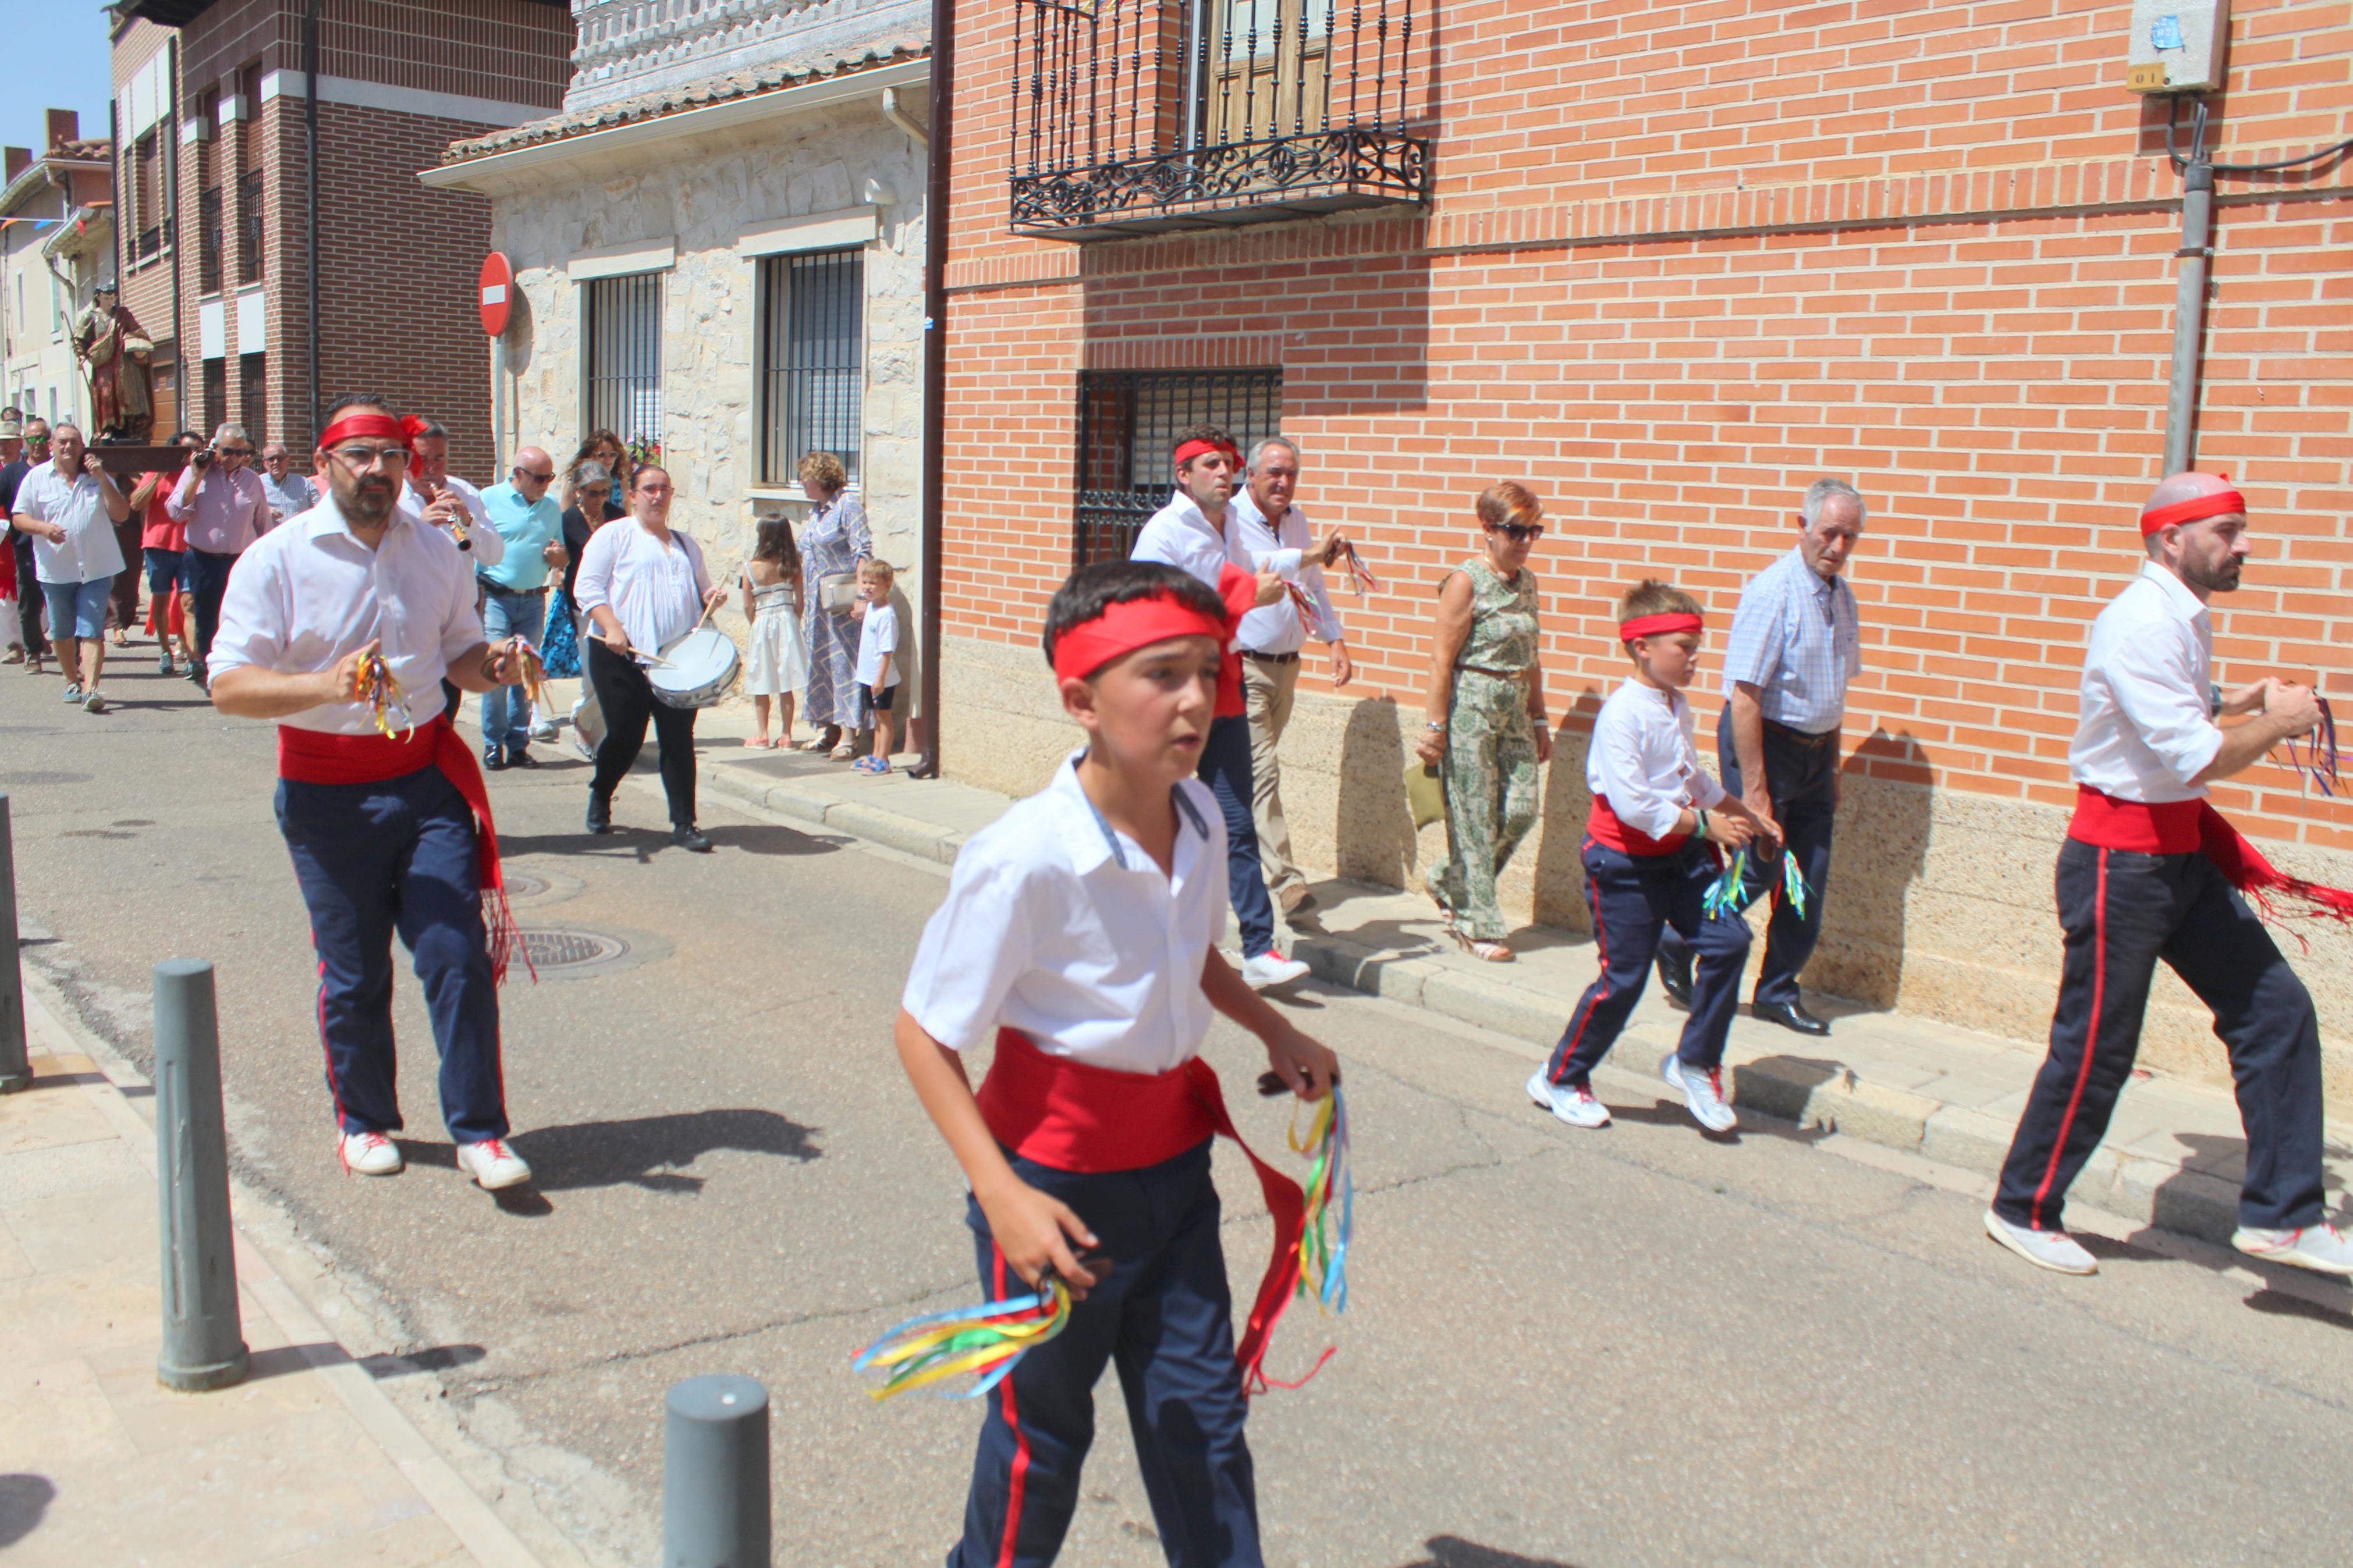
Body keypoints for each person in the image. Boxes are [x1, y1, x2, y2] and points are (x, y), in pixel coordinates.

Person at [895, 557, 1340, 1568]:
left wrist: (1274, 1030)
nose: (1197, 701)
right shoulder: (1024, 857)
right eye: (1162, 676)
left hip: (1176, 1179)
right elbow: (923, 1032)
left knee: (1201, 1424)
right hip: (1053, 1191)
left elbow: (1191, 956)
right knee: (1041, 1443)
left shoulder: (1197, 813)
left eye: (1208, 671)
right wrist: (998, 1191)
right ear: (1079, 700)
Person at [1983, 472, 2353, 1278]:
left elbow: (2166, 714)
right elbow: (2192, 754)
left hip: (2175, 855)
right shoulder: (2140, 622)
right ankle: (2022, 1205)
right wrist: (2276, 721)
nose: (2242, 545)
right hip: (2121, 862)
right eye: (2225, 531)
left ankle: (2281, 1217)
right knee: (2095, 1047)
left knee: (2274, 1008)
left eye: (2239, 529)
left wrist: (2230, 696)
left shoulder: (2178, 617)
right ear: (2169, 540)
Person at [206, 393, 533, 1192]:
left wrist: (494, 665)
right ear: (325, 466)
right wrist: (324, 683)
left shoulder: (436, 549)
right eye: (361, 455)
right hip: (325, 793)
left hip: (424, 780)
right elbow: (228, 685)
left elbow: (458, 651)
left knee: (454, 952)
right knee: (354, 972)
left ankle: (481, 1131)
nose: (380, 469)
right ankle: (363, 1118)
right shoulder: (276, 558)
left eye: (392, 454)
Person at [1528, 581, 1774, 1133]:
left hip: (1682, 860)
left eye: (1695, 646)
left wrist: (1747, 813)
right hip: (1624, 867)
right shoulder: (1621, 714)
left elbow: (1690, 777)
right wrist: (1706, 825)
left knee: (1729, 940)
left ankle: (1694, 1062)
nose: (1693, 658)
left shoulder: (1675, 705)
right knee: (1624, 979)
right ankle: (1560, 1076)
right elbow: (1634, 803)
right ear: (1642, 646)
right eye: (1683, 647)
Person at [1655, 478, 1865, 1036]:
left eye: (1849, 536)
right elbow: (1743, 696)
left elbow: (1835, 690)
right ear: (1802, 527)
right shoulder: (1773, 593)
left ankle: (1776, 991)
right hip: (1763, 745)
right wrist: (1755, 789)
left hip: (1816, 754)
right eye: (1829, 533)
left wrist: (1834, 764)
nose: (1838, 547)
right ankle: (1677, 936)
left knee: (1809, 878)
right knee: (1760, 865)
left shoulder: (1842, 597)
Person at [1133, 424, 1328, 990]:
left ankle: (1259, 949)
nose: (1223, 472)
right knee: (1152, 816)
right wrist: (1243, 597)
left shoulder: (1231, 527)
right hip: (1170, 689)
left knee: (1235, 820)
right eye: (1210, 464)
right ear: (1183, 474)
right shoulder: (1164, 532)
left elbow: (1257, 571)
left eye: (1228, 463)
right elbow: (1154, 615)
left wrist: (1310, 557)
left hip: (1224, 680)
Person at [1410, 482, 1555, 962]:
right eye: (1516, 531)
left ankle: (1449, 881)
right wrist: (1434, 727)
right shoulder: (1465, 580)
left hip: (1514, 704)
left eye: (1533, 531)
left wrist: (1539, 718)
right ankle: (1476, 923)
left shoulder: (1527, 582)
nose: (1525, 541)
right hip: (1470, 703)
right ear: (1488, 529)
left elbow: (1531, 656)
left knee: (1520, 811)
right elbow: (1440, 660)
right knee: (1471, 818)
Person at [1227, 437, 1352, 919]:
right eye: (1274, 472)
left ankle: (1209, 853)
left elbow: (1312, 585)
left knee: (1241, 779)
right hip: (1245, 667)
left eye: (1291, 474)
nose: (1283, 482)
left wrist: (1334, 641)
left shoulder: (1295, 520)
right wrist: (1311, 554)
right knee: (1262, 773)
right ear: (1252, 475)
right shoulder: (1232, 520)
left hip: (1286, 668)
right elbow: (1255, 571)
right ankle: (1287, 882)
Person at [573, 464, 727, 851]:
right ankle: (601, 791)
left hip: (674, 662)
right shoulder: (614, 535)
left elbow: (702, 590)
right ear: (632, 495)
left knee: (677, 738)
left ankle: (684, 823)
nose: (657, 496)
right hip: (619, 655)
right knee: (626, 736)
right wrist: (611, 627)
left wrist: (711, 597)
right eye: (649, 489)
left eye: (664, 489)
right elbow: (587, 588)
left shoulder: (685, 544)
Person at [11, 423, 132, 713]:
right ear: (51, 445)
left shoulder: (97, 478)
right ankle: (71, 681)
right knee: (62, 631)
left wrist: (102, 477)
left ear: (82, 446)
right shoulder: (36, 478)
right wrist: (42, 528)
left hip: (97, 567)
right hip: (56, 570)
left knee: (92, 629)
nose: (68, 447)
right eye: (63, 442)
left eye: (74, 442)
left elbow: (121, 513)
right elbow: (19, 518)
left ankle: (91, 688)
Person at [475, 447, 567, 770]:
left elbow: (559, 552)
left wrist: (559, 557)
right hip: (497, 597)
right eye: (539, 477)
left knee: (526, 673)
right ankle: (492, 744)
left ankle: (518, 745)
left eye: (549, 477)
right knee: (499, 670)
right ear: (518, 474)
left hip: (532, 599)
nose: (545, 484)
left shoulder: (552, 507)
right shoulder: (488, 498)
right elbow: (473, 544)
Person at [168, 421, 269, 688]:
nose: (233, 458)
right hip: (203, 559)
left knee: (240, 617)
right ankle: (210, 668)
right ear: (214, 448)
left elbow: (263, 524)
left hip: (240, 561)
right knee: (206, 618)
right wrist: (196, 476)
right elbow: (176, 512)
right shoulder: (196, 474)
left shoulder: (252, 480)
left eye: (240, 453)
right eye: (227, 451)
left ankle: (234, 669)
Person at [796, 450, 869, 758]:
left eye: (805, 478)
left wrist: (862, 597)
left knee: (844, 664)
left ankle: (849, 735)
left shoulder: (847, 506)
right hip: (817, 603)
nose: (801, 484)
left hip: (841, 604)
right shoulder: (817, 512)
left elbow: (863, 551)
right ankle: (828, 729)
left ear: (819, 477)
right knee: (820, 664)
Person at [551, 459, 623, 759]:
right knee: (593, 671)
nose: (599, 500)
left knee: (615, 672)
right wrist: (556, 559)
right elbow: (560, 560)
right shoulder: (568, 520)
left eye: (605, 492)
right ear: (579, 492)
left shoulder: (617, 517)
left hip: (617, 606)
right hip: (583, 606)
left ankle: (591, 723)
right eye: (593, 493)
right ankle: (589, 728)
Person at [129, 431, 203, 675]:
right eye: (186, 450)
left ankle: (193, 657)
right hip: (159, 546)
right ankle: (164, 651)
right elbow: (136, 503)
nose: (191, 454)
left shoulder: (202, 475)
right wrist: (158, 476)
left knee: (189, 602)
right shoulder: (157, 471)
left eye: (196, 449)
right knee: (160, 600)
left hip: (190, 547)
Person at [739, 516, 805, 749]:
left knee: (762, 678)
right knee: (785, 680)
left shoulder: (751, 568)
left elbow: (748, 605)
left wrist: (754, 623)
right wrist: (793, 621)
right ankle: (786, 735)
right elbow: (800, 602)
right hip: (787, 618)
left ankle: (763, 733)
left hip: (763, 620)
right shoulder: (794, 565)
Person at [70, 282, 154, 443]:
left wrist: (138, 345)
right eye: (106, 298)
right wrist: (80, 356)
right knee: (107, 397)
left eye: (112, 298)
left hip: (125, 365)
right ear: (98, 297)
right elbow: (78, 339)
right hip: (105, 367)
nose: (110, 302)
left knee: (130, 397)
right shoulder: (91, 317)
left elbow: (137, 331)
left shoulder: (123, 315)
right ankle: (107, 429)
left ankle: (132, 430)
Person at [6, 418, 51, 673]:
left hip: (62, 546)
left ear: (50, 441)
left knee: (64, 600)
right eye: (33, 439)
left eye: (43, 438)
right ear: (25, 442)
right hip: (25, 547)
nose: (38, 444)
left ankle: (74, 651)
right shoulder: (12, 473)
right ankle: (33, 652)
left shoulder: (64, 469)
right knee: (29, 602)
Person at [850, 557, 900, 774]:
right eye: (865, 582)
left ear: (887, 586)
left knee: (884, 716)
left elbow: (887, 650)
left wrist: (880, 678)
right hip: (867, 674)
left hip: (881, 677)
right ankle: (876, 753)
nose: (867, 587)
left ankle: (884, 759)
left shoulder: (887, 615)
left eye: (873, 583)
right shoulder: (871, 607)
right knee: (876, 716)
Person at [0, 415, 26, 665]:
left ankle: (32, 636)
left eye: (8, 442)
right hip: (2, 546)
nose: (3, 447)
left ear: (20, 443)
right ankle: (15, 644)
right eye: (0, 442)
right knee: (6, 600)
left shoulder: (30, 469)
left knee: (34, 594)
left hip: (29, 539)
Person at [258, 442, 318, 524]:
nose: (275, 462)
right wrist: (264, 512)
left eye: (280, 458)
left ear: (288, 460)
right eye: (271, 459)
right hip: (272, 534)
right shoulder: (257, 484)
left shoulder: (305, 484)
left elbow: (319, 509)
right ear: (264, 463)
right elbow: (249, 511)